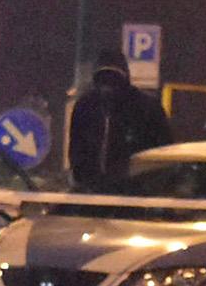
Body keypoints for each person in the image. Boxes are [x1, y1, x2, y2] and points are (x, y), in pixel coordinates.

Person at [67, 56, 170, 191]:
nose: (108, 85)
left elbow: (162, 148)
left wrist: (149, 183)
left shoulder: (145, 107)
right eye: (103, 78)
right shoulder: (85, 105)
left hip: (134, 191)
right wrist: (81, 176)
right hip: (91, 188)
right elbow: (76, 144)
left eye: (114, 78)